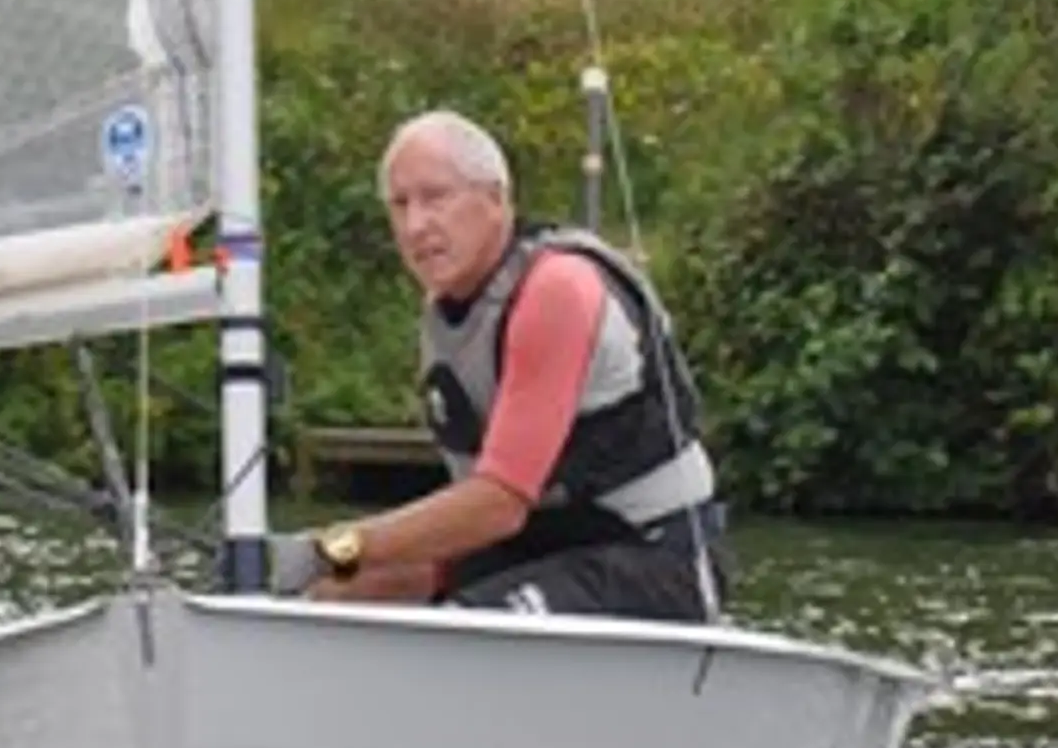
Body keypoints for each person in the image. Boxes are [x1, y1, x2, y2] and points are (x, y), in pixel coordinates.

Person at [273, 107, 726, 621]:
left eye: (436, 197)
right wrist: (324, 571)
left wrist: (333, 547)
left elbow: (499, 505)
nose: (416, 225)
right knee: (337, 593)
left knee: (458, 622)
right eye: (400, 205)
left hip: (652, 556)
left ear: (495, 199)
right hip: (540, 549)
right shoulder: (446, 313)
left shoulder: (558, 290)